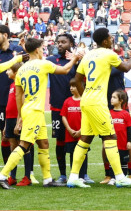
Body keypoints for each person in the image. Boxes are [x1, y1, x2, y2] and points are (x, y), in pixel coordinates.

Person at [0, 38, 80, 190]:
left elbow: (18, 95)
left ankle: (47, 179)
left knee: (43, 143)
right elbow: (65, 70)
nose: (44, 51)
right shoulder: (44, 64)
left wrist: (20, 117)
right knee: (24, 145)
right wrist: (75, 58)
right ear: (37, 50)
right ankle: (3, 175)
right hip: (35, 111)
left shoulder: (21, 69)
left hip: (30, 110)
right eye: (42, 48)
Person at [66, 28, 131, 188]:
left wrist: (85, 94)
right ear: (105, 41)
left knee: (85, 139)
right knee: (110, 137)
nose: (112, 39)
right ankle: (120, 177)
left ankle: (73, 177)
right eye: (110, 37)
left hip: (86, 101)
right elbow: (126, 67)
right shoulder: (109, 54)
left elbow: (76, 79)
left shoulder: (88, 56)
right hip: (97, 102)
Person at [46, 33, 78, 184]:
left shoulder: (77, 62)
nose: (59, 44)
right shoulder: (51, 61)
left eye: (63, 42)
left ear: (71, 43)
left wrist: (78, 59)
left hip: (75, 108)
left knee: (76, 140)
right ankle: (62, 175)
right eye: (58, 42)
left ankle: (77, 174)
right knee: (59, 141)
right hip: (57, 108)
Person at [3, 62, 37, 186]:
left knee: (25, 147)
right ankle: (12, 176)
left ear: (16, 72)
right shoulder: (13, 85)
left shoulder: (23, 85)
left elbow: (22, 104)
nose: (7, 72)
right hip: (10, 119)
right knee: (13, 146)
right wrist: (7, 124)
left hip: (19, 119)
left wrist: (20, 120)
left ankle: (27, 176)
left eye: (9, 70)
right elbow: (9, 105)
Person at [61, 78, 92, 184]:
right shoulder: (67, 101)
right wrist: (69, 129)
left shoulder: (85, 101)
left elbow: (88, 117)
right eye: (70, 86)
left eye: (73, 86)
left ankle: (83, 176)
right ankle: (74, 175)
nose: (71, 88)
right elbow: (63, 116)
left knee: (83, 153)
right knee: (72, 154)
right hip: (70, 134)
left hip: (82, 133)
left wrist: (80, 130)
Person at [108, 90, 131, 185]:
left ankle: (123, 177)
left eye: (114, 97)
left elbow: (129, 129)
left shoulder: (125, 114)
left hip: (123, 142)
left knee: (123, 160)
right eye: (111, 97)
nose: (111, 99)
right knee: (112, 160)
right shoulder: (108, 113)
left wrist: (129, 141)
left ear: (121, 101)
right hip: (112, 143)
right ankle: (112, 177)